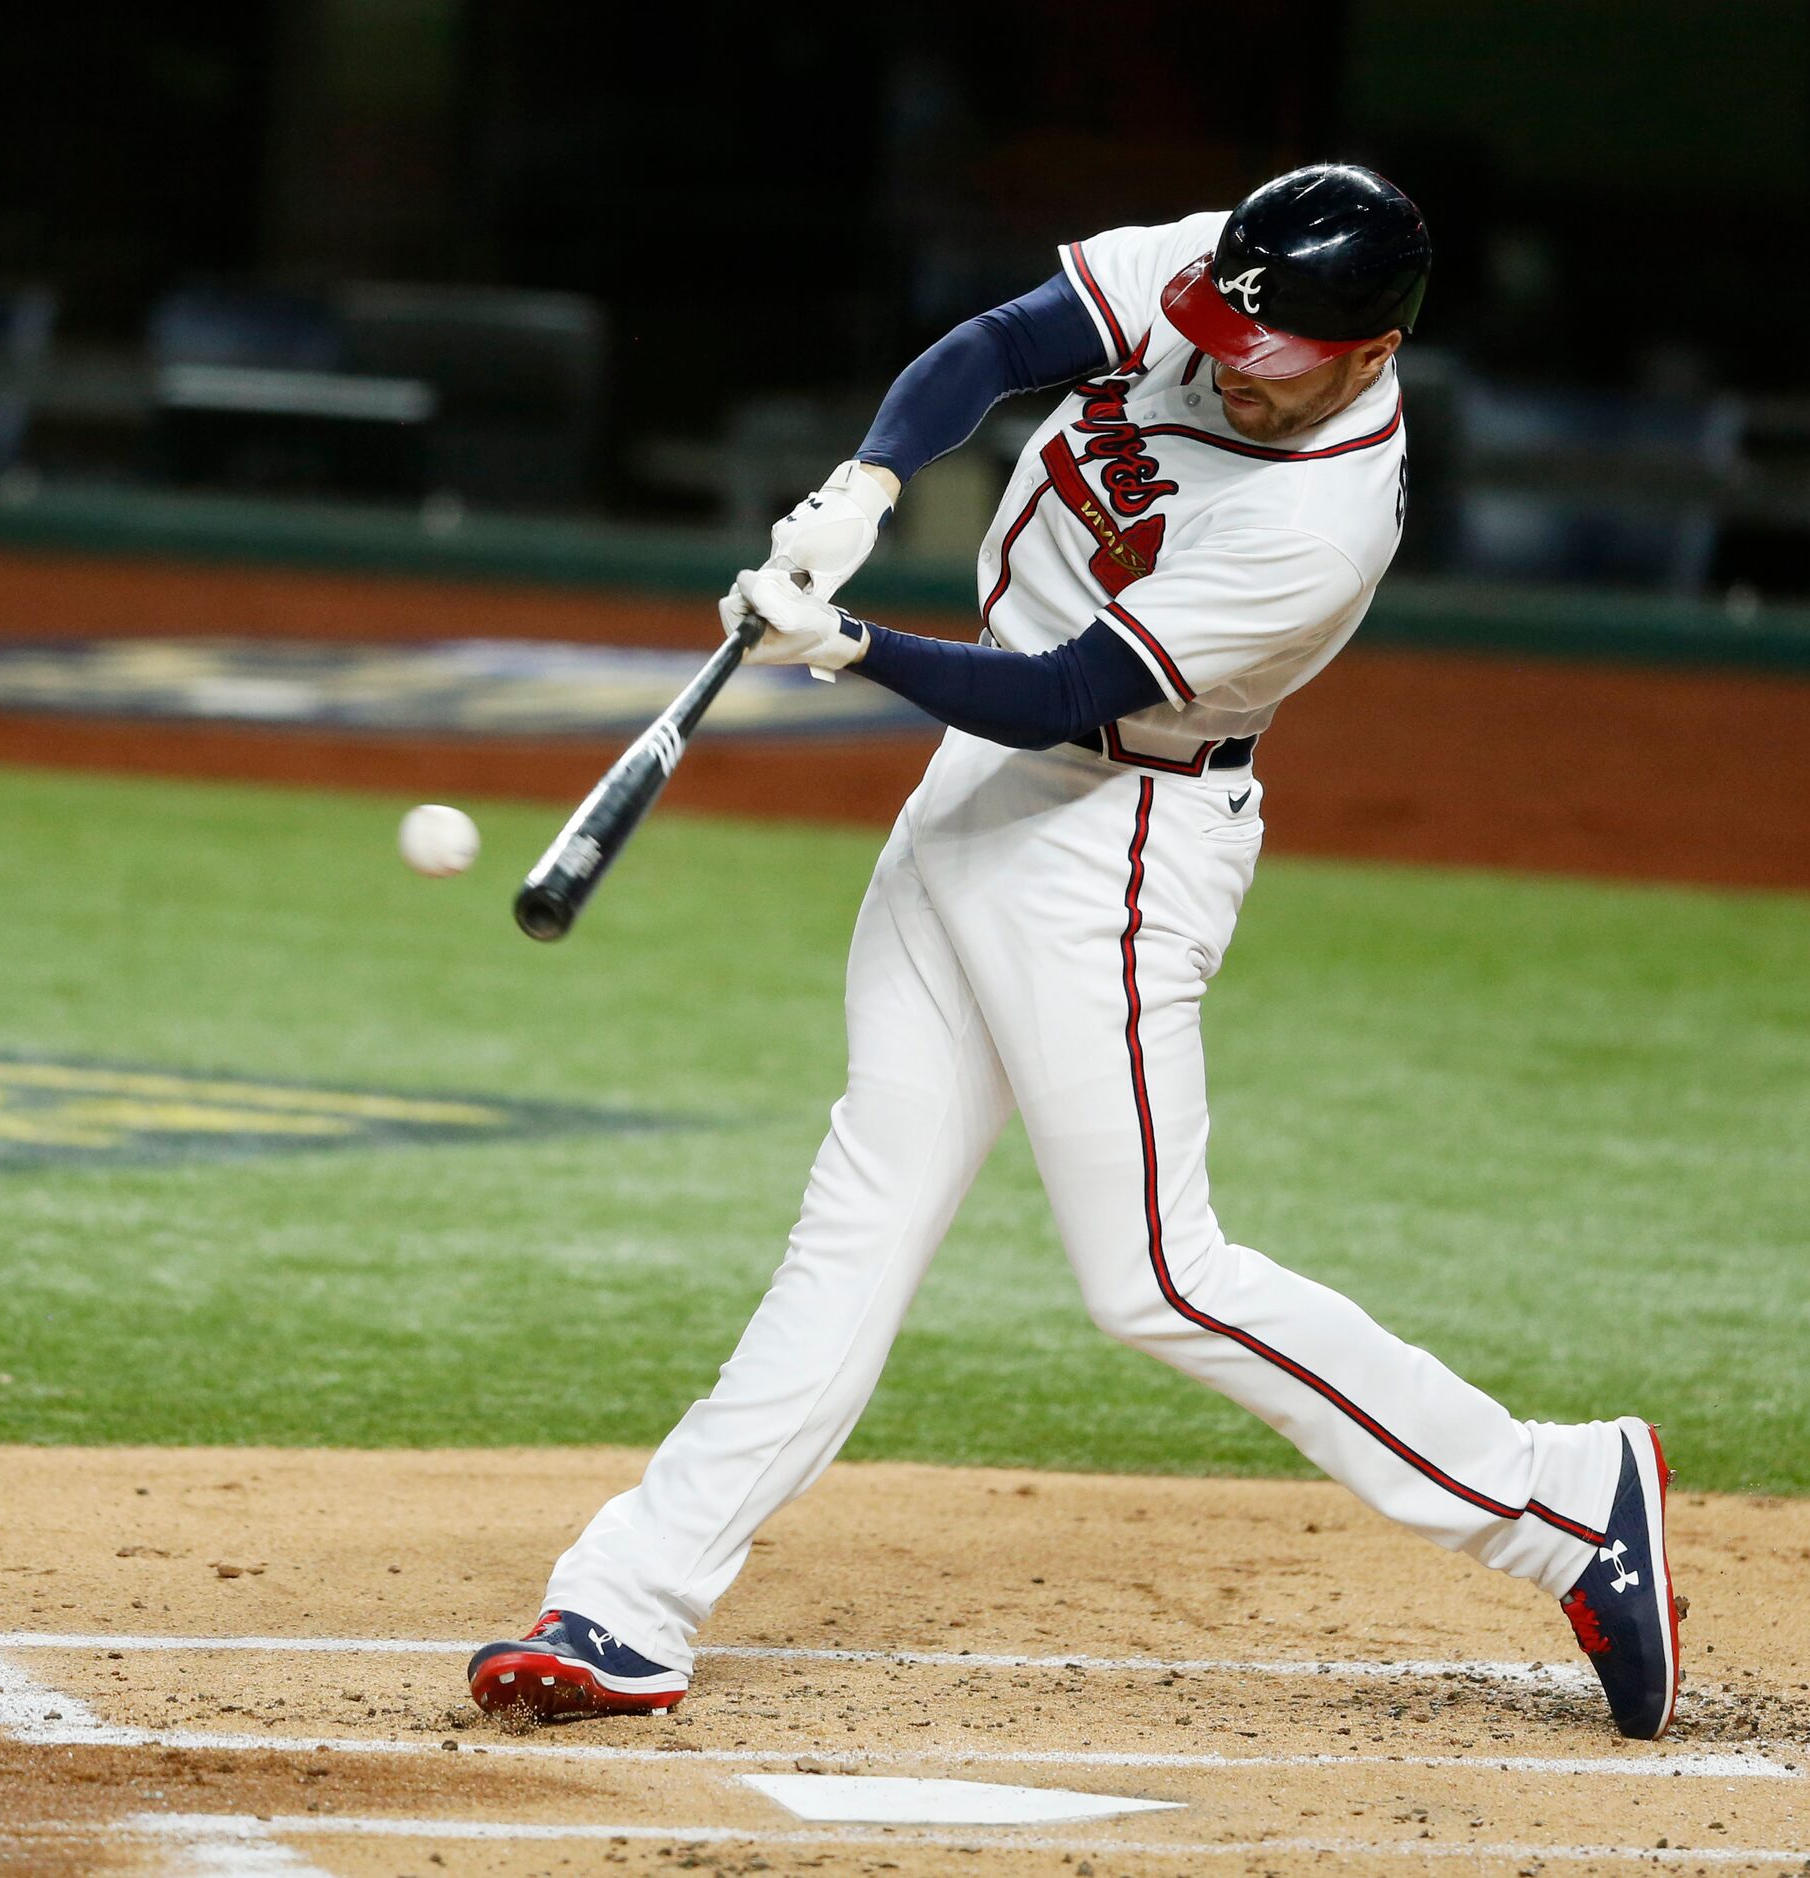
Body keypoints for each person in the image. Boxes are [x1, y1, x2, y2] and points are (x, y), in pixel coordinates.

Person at [468, 165, 1682, 1741]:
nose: (1223, 361)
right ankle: (627, 1601)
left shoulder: (1316, 529)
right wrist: (870, 483)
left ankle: (1562, 1494)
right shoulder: (1235, 266)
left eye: (1270, 357)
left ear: (1369, 355)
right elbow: (992, 346)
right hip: (975, 801)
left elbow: (1060, 696)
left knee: (1159, 1278)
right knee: (862, 1220)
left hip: (1114, 839)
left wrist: (845, 647)